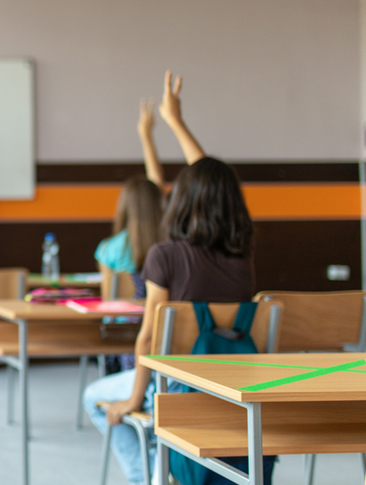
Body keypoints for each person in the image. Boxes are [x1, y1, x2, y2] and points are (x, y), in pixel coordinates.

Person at [83, 71, 258, 485]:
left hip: (174, 384)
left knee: (95, 397)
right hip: (231, 382)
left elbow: (148, 338)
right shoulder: (243, 258)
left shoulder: (166, 254)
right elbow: (215, 183)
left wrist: (132, 398)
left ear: (178, 201)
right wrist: (176, 121)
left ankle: (146, 478)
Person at [95, 99, 166, 301]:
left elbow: (109, 301)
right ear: (158, 204)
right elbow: (157, 187)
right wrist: (146, 135)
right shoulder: (170, 243)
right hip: (161, 328)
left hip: (120, 329)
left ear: (124, 207)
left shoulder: (109, 250)